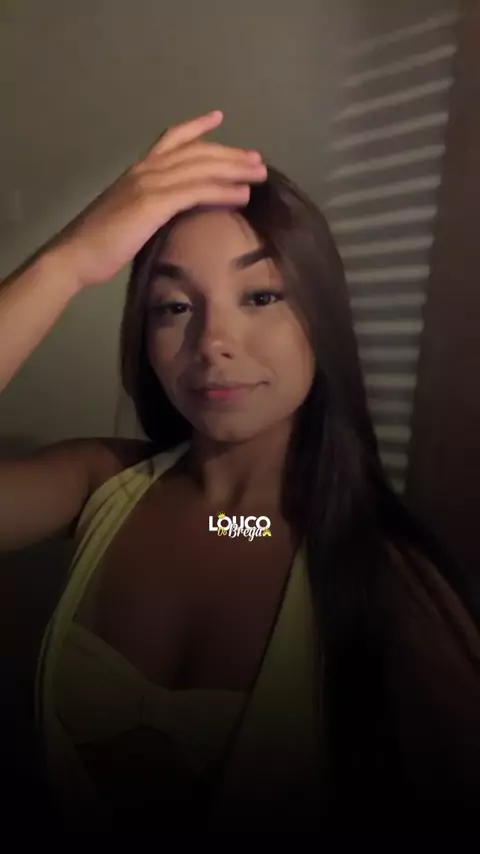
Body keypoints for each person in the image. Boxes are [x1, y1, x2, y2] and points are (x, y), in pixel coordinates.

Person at [1, 110, 479, 840]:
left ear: (321, 316)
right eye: (173, 306)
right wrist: (68, 263)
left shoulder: (386, 583)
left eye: (260, 296)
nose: (213, 342)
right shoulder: (99, 482)